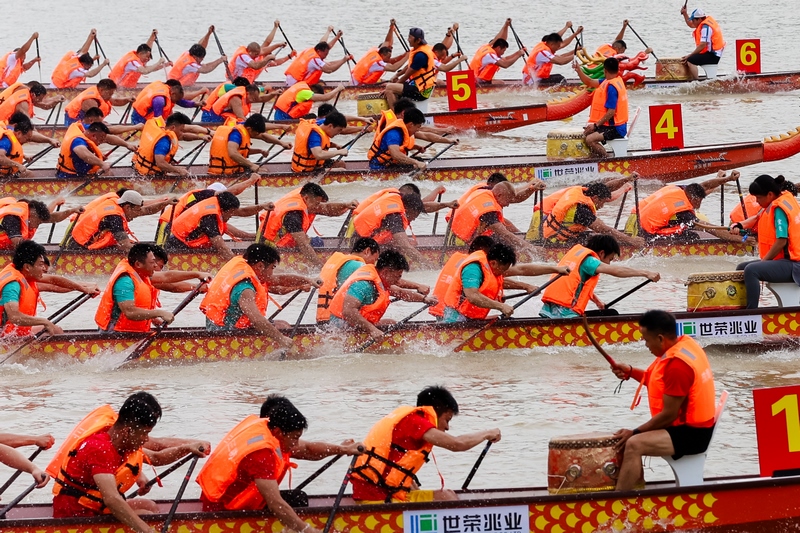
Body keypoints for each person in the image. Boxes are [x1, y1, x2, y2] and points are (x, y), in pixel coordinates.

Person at [49, 391, 209, 528]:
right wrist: (147, 531)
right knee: (147, 517)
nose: (146, 439)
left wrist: (188, 448)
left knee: (149, 506)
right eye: (145, 433)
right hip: (76, 515)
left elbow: (156, 458)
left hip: (95, 507)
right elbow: (112, 499)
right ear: (127, 432)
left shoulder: (119, 439)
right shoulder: (100, 449)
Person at [198, 394, 361, 526]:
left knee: (297, 498)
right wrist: (307, 530)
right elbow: (275, 503)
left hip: (223, 501)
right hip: (224, 512)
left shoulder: (264, 431)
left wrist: (343, 449)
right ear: (278, 431)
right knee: (292, 505)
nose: (296, 443)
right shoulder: (262, 453)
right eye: (295, 437)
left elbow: (308, 449)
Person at [609, 310, 716, 491]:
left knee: (634, 444)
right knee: (632, 438)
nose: (645, 345)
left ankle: (618, 500)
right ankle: (632, 490)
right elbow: (658, 382)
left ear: (660, 338)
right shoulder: (684, 345)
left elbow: (669, 415)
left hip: (693, 436)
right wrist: (630, 371)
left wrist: (634, 432)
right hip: (693, 427)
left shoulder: (677, 367)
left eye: (646, 340)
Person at [351, 385, 500, 503]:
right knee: (447, 498)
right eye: (447, 420)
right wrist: (487, 433)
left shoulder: (408, 420)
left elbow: (396, 468)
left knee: (446, 495)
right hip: (376, 497)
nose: (447, 427)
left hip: (382, 492)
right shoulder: (415, 421)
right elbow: (457, 444)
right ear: (436, 411)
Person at [200, 244, 321, 349]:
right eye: (272, 268)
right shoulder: (245, 289)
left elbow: (279, 281)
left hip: (216, 325)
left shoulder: (244, 266)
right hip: (225, 332)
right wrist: (281, 339)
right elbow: (257, 320)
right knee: (283, 328)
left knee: (283, 325)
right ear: (260, 266)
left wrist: (308, 280)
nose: (272, 272)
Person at [540, 234, 660, 318]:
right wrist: (645, 273)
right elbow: (616, 271)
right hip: (564, 315)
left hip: (549, 311)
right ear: (602, 253)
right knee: (611, 315)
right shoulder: (590, 261)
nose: (609, 263)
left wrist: (597, 302)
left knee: (608, 313)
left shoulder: (577, 255)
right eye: (610, 259)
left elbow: (576, 286)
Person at [328, 250, 436, 340]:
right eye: (397, 276)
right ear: (385, 272)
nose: (398, 281)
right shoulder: (363, 285)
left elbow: (400, 293)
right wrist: (372, 330)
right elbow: (348, 312)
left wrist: (425, 299)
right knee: (390, 326)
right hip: (341, 327)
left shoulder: (380, 280)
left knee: (392, 323)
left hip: (354, 323)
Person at [0, 240, 98, 338]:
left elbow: (54, 282)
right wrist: (44, 321)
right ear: (27, 267)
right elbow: (14, 317)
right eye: (40, 265)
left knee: (56, 329)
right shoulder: (12, 285)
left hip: (13, 332)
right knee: (52, 329)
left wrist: (84, 287)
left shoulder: (23, 273)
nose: (44, 269)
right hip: (5, 337)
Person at [732, 174, 800, 309]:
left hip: (794, 265)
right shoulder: (776, 201)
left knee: (752, 270)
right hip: (785, 261)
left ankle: (751, 313)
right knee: (741, 268)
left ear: (769, 194)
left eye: (758, 198)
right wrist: (739, 225)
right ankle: (740, 307)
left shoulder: (779, 209)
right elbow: (756, 218)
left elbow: (781, 241)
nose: (757, 201)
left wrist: (764, 262)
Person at [258, 183, 357, 267]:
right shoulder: (293, 215)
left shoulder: (302, 197)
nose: (318, 206)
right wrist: (321, 268)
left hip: (282, 240)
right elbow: (304, 246)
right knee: (314, 244)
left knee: (317, 242)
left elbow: (327, 208)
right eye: (317, 203)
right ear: (306, 198)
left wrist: (346, 205)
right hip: (271, 248)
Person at [634, 170, 744, 243]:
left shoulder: (680, 190)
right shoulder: (682, 212)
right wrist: (743, 240)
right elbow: (711, 229)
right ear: (695, 199)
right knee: (693, 236)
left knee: (687, 227)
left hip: (638, 222)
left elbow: (705, 186)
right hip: (648, 234)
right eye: (700, 201)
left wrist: (727, 179)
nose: (700, 205)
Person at [441, 243, 535, 322]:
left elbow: (498, 282)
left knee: (506, 320)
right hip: (455, 317)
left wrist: (526, 286)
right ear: (494, 263)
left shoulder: (490, 267)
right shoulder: (472, 269)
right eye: (502, 270)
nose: (503, 274)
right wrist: (501, 306)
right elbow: (473, 296)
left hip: (470, 317)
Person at [94, 243, 174, 332]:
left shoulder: (140, 275)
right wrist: (159, 313)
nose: (155, 266)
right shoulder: (125, 281)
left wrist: (152, 318)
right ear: (138, 264)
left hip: (129, 331)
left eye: (155, 262)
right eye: (152, 262)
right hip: (114, 332)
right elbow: (130, 312)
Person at [448, 181, 537, 257]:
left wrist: (532, 189)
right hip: (459, 241)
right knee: (505, 245)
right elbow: (505, 234)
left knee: (503, 230)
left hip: (457, 232)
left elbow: (516, 198)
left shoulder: (486, 191)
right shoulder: (488, 209)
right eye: (508, 201)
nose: (508, 205)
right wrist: (529, 247)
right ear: (499, 195)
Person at [543, 182, 643, 247]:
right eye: (602, 202)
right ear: (595, 198)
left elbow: (607, 186)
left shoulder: (584, 192)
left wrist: (625, 181)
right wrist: (630, 240)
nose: (602, 206)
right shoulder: (581, 211)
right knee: (602, 239)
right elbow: (604, 229)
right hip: (555, 241)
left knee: (596, 236)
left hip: (553, 231)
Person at [67, 190, 171, 251]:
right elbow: (125, 246)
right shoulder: (114, 217)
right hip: (80, 248)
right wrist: (151, 251)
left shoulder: (118, 204)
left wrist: (165, 203)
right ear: (128, 207)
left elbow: (147, 210)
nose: (138, 213)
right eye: (137, 210)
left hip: (79, 241)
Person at [167, 192, 257, 261]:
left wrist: (253, 236)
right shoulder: (210, 218)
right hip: (176, 246)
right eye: (231, 212)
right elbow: (222, 248)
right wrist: (238, 265)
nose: (232, 215)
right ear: (223, 210)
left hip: (177, 239)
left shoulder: (215, 205)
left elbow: (230, 229)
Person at [351, 189, 428, 266]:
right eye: (414, 216)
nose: (413, 219)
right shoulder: (395, 216)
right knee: (400, 247)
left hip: (359, 237)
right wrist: (427, 265)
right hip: (359, 246)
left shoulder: (395, 202)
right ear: (408, 210)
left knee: (399, 243)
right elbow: (405, 246)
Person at [572, 57, 628, 158]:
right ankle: (595, 156)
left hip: (616, 128)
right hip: (613, 125)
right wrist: (578, 70)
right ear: (618, 69)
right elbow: (589, 81)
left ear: (605, 70)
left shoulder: (612, 87)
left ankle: (606, 159)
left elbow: (611, 112)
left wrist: (595, 126)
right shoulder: (612, 81)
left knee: (589, 139)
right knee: (586, 133)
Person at [317, 237, 381, 322]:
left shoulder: (340, 262)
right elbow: (381, 280)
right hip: (339, 321)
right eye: (375, 260)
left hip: (323, 320)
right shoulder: (359, 266)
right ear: (367, 251)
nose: (374, 264)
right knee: (391, 322)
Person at [383, 28, 437, 109]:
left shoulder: (421, 56)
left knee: (389, 88)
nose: (408, 39)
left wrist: (393, 85)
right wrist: (397, 75)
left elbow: (406, 75)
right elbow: (409, 66)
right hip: (418, 85)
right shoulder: (418, 49)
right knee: (393, 84)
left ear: (418, 40)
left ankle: (396, 115)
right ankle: (403, 110)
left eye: (410, 37)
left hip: (422, 91)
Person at [208, 113, 275, 175]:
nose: (257, 135)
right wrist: (251, 165)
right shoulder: (236, 134)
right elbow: (233, 153)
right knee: (262, 171)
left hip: (229, 168)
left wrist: (260, 151)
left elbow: (241, 151)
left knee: (264, 170)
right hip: (224, 173)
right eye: (257, 133)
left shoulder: (243, 129)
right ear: (249, 129)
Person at [0, 198, 79, 249]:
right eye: (38, 222)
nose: (38, 225)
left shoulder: (33, 215)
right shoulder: (12, 218)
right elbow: (18, 243)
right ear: (33, 216)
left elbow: (53, 217)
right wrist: (38, 250)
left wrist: (72, 211)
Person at [284, 28, 351, 86]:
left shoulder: (311, 50)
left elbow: (324, 47)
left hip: (291, 79)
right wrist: (343, 61)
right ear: (319, 51)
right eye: (325, 55)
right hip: (295, 83)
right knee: (320, 70)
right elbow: (329, 69)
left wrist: (336, 37)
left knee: (321, 68)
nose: (325, 57)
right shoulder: (315, 59)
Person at [468, 19, 527, 85]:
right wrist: (518, 55)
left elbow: (504, 57)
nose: (503, 53)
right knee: (501, 84)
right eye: (503, 51)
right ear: (498, 48)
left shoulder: (486, 47)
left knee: (500, 82)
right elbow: (505, 64)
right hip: (477, 82)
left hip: (473, 78)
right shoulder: (490, 55)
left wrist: (506, 26)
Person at [351, 21, 408, 86]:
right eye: (388, 57)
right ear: (383, 55)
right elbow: (393, 68)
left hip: (356, 80)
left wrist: (391, 27)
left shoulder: (376, 51)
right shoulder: (378, 63)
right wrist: (407, 56)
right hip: (358, 85)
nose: (389, 60)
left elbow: (388, 41)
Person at [680, 7, 725, 80]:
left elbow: (703, 45)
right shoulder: (704, 23)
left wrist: (689, 55)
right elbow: (690, 24)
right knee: (691, 58)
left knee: (690, 60)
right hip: (712, 53)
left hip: (713, 55)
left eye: (693, 20)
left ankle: (696, 81)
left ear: (699, 19)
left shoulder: (705, 27)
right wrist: (685, 14)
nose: (692, 22)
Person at [63, 78, 132, 126]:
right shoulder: (91, 100)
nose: (110, 96)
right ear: (101, 90)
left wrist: (127, 100)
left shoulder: (102, 94)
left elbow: (115, 101)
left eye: (111, 94)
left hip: (87, 120)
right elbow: (95, 117)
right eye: (109, 94)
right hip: (74, 121)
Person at [130, 79, 201, 125]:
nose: (176, 102)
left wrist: (195, 104)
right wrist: (161, 127)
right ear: (173, 91)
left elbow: (179, 101)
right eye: (177, 99)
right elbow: (158, 117)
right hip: (141, 118)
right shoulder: (161, 99)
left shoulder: (162, 87)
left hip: (137, 113)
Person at [273, 82, 343, 121]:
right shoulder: (306, 93)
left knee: (310, 116)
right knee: (312, 117)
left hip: (279, 116)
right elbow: (325, 97)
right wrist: (338, 89)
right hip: (284, 119)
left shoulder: (300, 86)